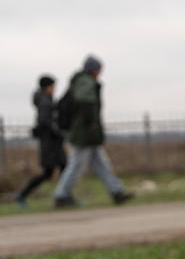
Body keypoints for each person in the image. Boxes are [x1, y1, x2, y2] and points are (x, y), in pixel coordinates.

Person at [52, 55, 133, 208]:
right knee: (76, 164)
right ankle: (61, 195)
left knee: (102, 163)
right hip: (84, 132)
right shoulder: (85, 81)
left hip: (87, 131)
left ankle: (117, 192)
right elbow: (85, 100)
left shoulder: (83, 80)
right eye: (99, 69)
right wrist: (91, 121)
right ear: (94, 69)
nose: (100, 72)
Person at [15, 75, 67, 207]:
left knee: (62, 167)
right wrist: (58, 131)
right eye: (53, 86)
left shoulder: (46, 100)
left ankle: (63, 195)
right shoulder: (45, 102)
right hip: (50, 143)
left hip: (51, 142)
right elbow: (44, 121)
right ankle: (22, 195)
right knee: (51, 172)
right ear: (47, 87)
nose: (54, 89)